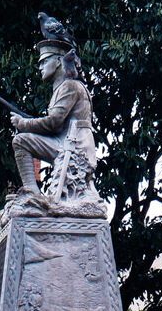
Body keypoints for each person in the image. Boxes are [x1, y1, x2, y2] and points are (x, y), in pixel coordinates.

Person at [9, 12, 100, 208]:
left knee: (21, 140)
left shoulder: (69, 86)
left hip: (75, 147)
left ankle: (34, 194)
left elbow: (53, 122)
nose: (40, 66)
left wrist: (23, 123)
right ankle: (32, 193)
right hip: (65, 141)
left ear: (58, 61)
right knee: (21, 140)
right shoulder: (63, 87)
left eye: (44, 61)